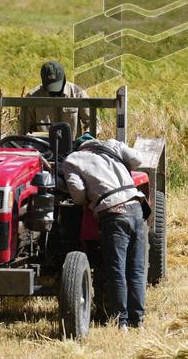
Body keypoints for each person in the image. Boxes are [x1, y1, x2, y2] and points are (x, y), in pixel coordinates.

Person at [61, 136, 148, 328]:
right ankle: (138, 320)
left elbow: (77, 195)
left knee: (116, 270)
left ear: (78, 147)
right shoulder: (112, 146)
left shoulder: (74, 160)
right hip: (136, 208)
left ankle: (121, 321)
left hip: (113, 214)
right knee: (137, 270)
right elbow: (137, 160)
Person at [18, 61, 89, 138]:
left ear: (64, 78)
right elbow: (24, 127)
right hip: (42, 146)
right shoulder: (33, 97)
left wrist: (87, 135)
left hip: (72, 147)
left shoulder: (77, 93)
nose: (54, 92)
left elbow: (93, 123)